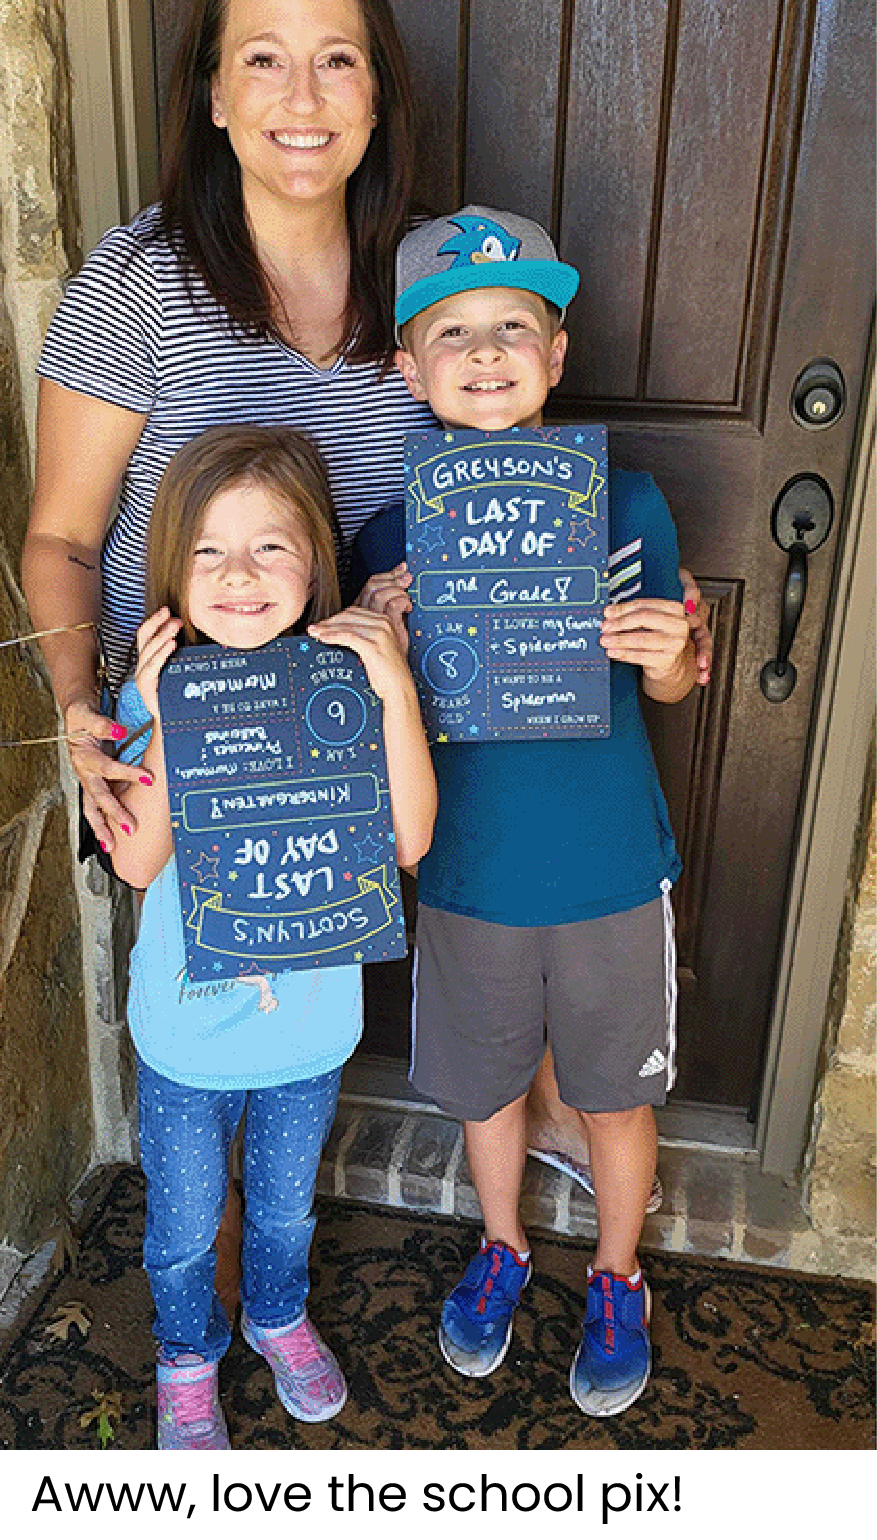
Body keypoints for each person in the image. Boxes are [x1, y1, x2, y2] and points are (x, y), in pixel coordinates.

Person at [22, 0, 707, 1270]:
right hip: (205, 746)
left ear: (377, 91)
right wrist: (76, 708)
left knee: (326, 1030)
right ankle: (208, 1315)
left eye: (336, 59)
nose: (299, 96)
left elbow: (504, 503)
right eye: (261, 58)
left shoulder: (423, 287)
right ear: (212, 95)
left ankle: (515, 1137)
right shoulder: (138, 282)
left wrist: (646, 620)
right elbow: (58, 534)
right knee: (211, 1055)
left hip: (379, 736)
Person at [361, 204, 698, 1417]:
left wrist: (669, 651)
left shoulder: (630, 502)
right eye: (454, 330)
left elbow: (668, 676)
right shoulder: (391, 532)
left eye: (515, 324)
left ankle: (616, 1272)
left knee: (616, 1092)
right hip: (465, 868)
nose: (487, 348)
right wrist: (380, 634)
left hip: (609, 864)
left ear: (556, 354)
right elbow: (374, 715)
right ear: (409, 367)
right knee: (487, 1086)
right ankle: (500, 1242)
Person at [107, 424, 436, 1449]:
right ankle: (186, 1351)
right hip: (188, 1032)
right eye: (207, 548)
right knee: (183, 1217)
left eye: (270, 546)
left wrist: (395, 691)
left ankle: (277, 1311)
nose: (238, 573)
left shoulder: (344, 680)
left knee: (287, 1207)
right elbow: (134, 859)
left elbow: (412, 838)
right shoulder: (155, 687)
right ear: (173, 565)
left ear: (316, 561)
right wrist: (157, 715)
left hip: (306, 1028)